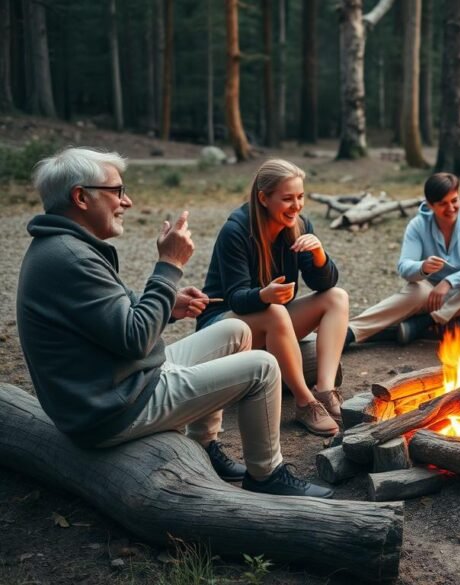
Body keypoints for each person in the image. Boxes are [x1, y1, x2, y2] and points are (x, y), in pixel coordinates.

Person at [17, 147, 331, 498]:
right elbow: (135, 338)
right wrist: (168, 266)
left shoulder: (67, 247)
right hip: (115, 406)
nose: (128, 201)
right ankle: (267, 475)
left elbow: (112, 313)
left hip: (123, 380)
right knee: (262, 367)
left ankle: (205, 445)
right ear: (81, 197)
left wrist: (170, 304)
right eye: (117, 191)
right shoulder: (70, 257)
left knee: (236, 331)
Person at [198, 159, 348, 437]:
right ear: (264, 198)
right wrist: (264, 295)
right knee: (276, 311)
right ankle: (305, 403)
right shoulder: (236, 231)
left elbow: (323, 284)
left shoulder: (300, 226)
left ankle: (325, 391)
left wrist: (319, 256)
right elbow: (235, 298)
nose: (297, 206)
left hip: (271, 326)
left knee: (336, 298)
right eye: (287, 198)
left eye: (301, 197)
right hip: (223, 329)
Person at [346, 173, 460, 345]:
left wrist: (449, 282)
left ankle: (427, 321)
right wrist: (423, 267)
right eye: (443, 203)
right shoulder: (417, 225)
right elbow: (404, 267)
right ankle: (350, 331)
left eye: (454, 200)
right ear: (430, 205)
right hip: (430, 296)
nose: (450, 208)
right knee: (416, 291)